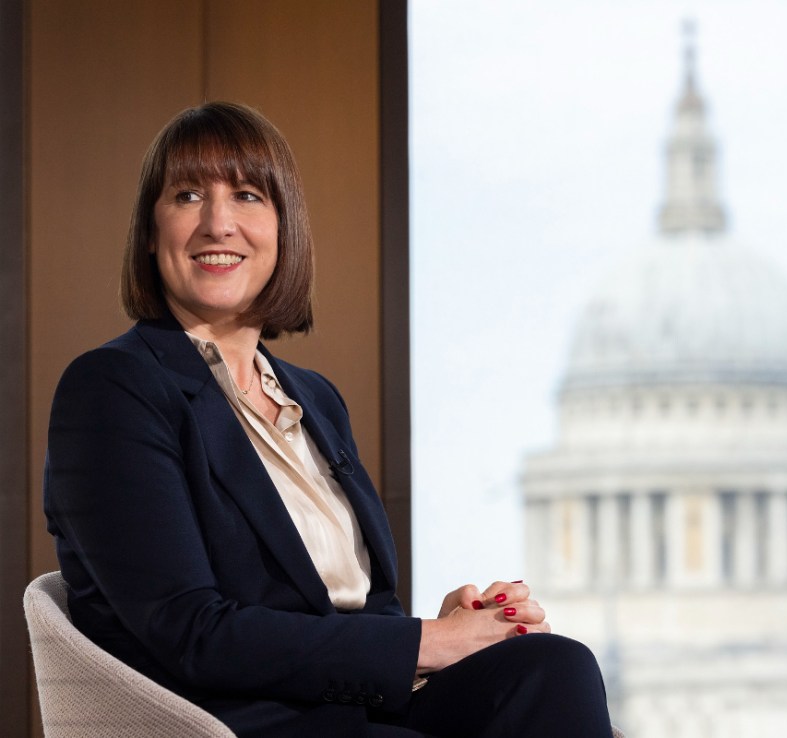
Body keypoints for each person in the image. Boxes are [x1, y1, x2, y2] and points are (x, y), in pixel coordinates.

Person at [44, 102, 613, 738]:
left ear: (284, 230)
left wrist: (449, 629)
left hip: (348, 707)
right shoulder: (112, 388)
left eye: (249, 196)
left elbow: (349, 608)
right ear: (151, 232)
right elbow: (191, 633)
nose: (218, 223)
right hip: (240, 719)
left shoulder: (313, 398)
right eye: (187, 195)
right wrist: (429, 643)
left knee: (551, 667)